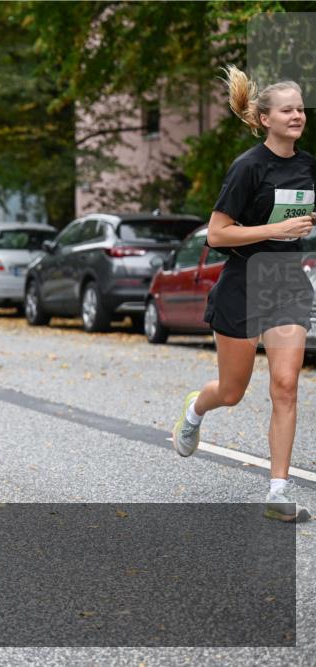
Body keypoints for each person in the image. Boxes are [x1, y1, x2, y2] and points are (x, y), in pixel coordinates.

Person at [172, 65, 314, 523]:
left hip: (285, 281)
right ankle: (195, 409)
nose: (297, 115)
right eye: (287, 110)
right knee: (232, 392)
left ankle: (277, 490)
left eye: (300, 109)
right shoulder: (248, 167)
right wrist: (278, 228)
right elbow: (216, 234)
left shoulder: (310, 167)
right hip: (243, 281)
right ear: (266, 118)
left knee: (286, 384)